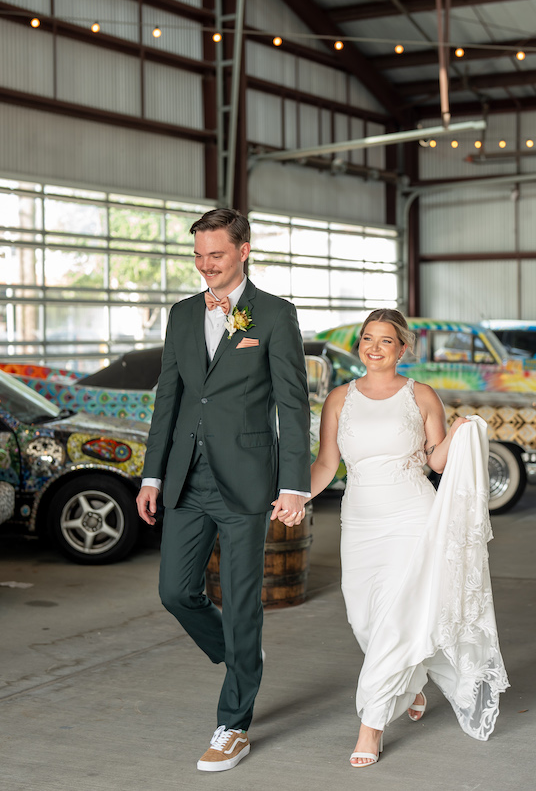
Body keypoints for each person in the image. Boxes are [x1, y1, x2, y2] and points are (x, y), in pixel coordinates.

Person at [136, 208, 310, 772]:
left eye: (216, 254)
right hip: (188, 475)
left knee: (240, 603)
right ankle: (239, 653)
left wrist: (293, 485)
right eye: (198, 255)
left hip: (247, 481)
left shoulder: (275, 315)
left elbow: (292, 404)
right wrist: (152, 474)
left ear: (244, 250)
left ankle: (233, 725)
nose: (205, 266)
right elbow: (170, 397)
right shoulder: (183, 314)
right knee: (175, 592)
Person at [308, 309, 509, 766]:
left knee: (397, 619)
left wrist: (457, 434)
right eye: (366, 339)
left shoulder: (420, 395)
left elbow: (436, 462)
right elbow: (326, 465)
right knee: (364, 620)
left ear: (403, 349)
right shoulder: (340, 398)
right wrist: (297, 497)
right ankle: (412, 681)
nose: (374, 347)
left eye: (385, 340)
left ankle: (370, 728)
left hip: (410, 516)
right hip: (359, 519)